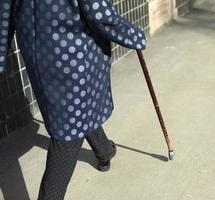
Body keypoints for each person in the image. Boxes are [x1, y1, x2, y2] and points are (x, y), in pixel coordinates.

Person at [0, 0, 146, 199]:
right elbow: (102, 16)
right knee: (67, 136)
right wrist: (135, 36)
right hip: (75, 60)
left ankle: (104, 151)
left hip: (38, 61)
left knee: (73, 114)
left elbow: (4, 19)